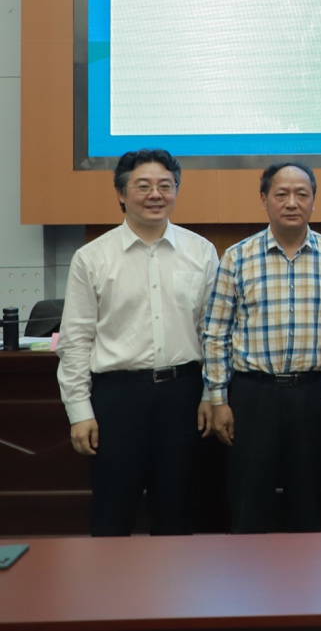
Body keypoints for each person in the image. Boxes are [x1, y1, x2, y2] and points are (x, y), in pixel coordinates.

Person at [56, 149, 219, 536]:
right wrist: (79, 410)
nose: (155, 195)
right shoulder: (92, 257)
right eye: (143, 186)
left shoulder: (201, 252)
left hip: (183, 395)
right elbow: (76, 340)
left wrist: (211, 394)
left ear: (176, 191)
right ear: (121, 193)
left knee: (178, 511)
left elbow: (213, 333)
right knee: (112, 512)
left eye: (166, 185)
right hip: (117, 398)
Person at [203, 161, 321, 533]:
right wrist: (218, 399)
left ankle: (309, 572)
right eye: (281, 194)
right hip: (253, 396)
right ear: (264, 199)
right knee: (248, 505)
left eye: (301, 194)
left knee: (310, 506)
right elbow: (216, 333)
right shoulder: (237, 257)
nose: (291, 202)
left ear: (313, 200)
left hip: (313, 395)